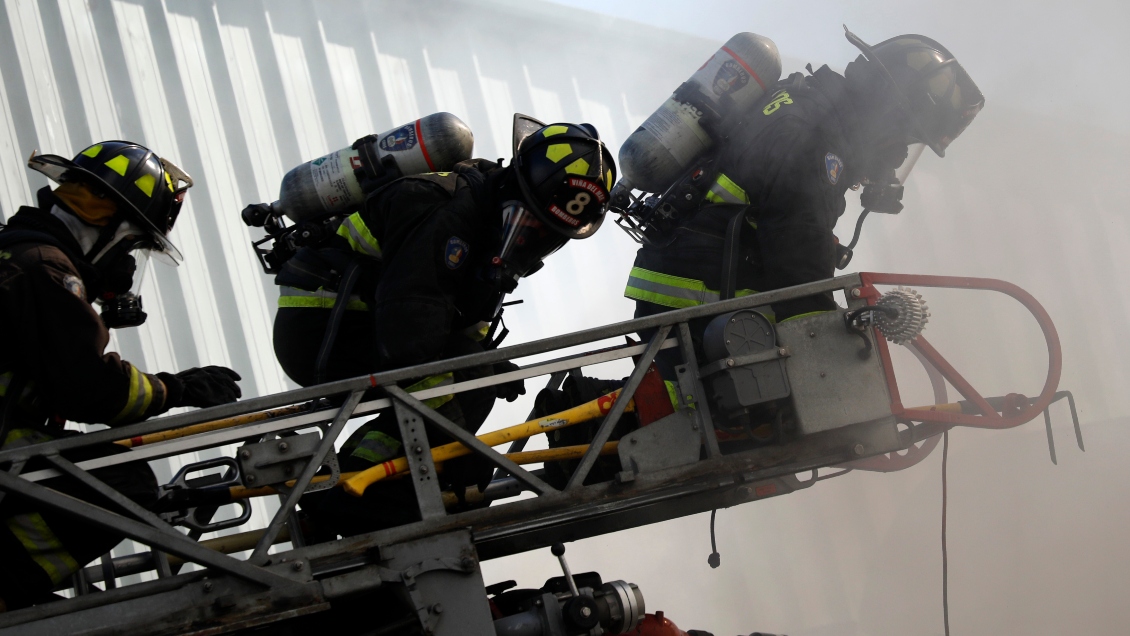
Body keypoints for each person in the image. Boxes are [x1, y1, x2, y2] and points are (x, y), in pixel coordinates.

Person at [262, 119, 616, 536]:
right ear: (514, 187)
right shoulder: (447, 211)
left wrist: (484, 365)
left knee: (474, 377)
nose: (535, 236)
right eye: (534, 221)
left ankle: (365, 483)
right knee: (456, 387)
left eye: (548, 233)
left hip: (367, 325)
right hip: (322, 326)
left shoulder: (490, 224)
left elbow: (463, 323)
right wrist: (456, 440)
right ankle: (357, 498)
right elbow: (411, 338)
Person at [623, 29, 985, 379]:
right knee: (741, 417)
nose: (900, 153)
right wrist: (828, 346)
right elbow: (798, 254)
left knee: (679, 404)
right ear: (886, 114)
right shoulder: (815, 141)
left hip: (683, 287)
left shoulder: (805, 105)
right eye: (906, 136)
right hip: (696, 300)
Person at [0, 141, 243, 610]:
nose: (128, 261)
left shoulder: (21, 255)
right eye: (132, 243)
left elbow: (52, 365)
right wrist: (178, 388)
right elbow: (90, 390)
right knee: (118, 480)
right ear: (104, 218)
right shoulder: (45, 268)